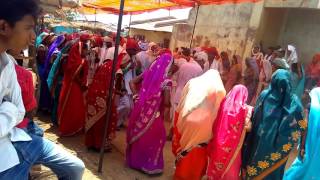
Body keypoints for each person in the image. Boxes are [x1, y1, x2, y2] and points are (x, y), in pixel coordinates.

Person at [0, 1, 85, 179]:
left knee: (75, 167)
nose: (33, 37)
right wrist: (10, 108)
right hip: (4, 157)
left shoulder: (9, 63)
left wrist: (7, 109)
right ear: (4, 26)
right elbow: (16, 109)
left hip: (21, 137)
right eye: (28, 28)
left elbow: (21, 109)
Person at [242, 69, 307, 180]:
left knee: (253, 170)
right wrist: (302, 146)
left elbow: (255, 118)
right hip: (279, 151)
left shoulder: (264, 96)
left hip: (258, 144)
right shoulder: (294, 103)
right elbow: (303, 126)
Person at [172, 69, 226, 180]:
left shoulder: (192, 82)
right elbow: (218, 112)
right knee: (198, 154)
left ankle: (180, 174)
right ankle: (193, 176)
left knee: (184, 148)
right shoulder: (220, 89)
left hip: (186, 119)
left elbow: (182, 102)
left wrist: (178, 117)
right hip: (204, 126)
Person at [126, 53, 172, 175]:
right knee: (158, 136)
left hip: (139, 110)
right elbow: (167, 103)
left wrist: (136, 96)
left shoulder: (148, 73)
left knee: (140, 136)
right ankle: (149, 166)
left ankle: (135, 162)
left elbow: (131, 82)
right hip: (153, 114)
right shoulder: (166, 82)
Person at [207, 85, 253, 180]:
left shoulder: (223, 104)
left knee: (216, 161)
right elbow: (248, 128)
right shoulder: (245, 110)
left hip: (218, 141)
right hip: (233, 147)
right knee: (231, 168)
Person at [85, 50, 127, 152]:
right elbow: (115, 88)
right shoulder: (118, 71)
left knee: (94, 120)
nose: (126, 65)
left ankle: (91, 143)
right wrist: (122, 93)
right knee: (106, 121)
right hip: (105, 98)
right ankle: (100, 145)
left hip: (94, 94)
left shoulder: (107, 64)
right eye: (126, 63)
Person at [284, 87, 319, 180]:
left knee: (299, 168)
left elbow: (305, 126)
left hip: (308, 146)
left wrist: (302, 146)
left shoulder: (311, 107)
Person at [58, 35, 89, 136]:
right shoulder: (80, 61)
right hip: (74, 87)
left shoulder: (75, 60)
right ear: (81, 50)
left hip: (70, 86)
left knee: (70, 107)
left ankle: (69, 128)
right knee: (74, 108)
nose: (86, 52)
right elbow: (75, 75)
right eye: (85, 50)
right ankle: (70, 128)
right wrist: (82, 84)